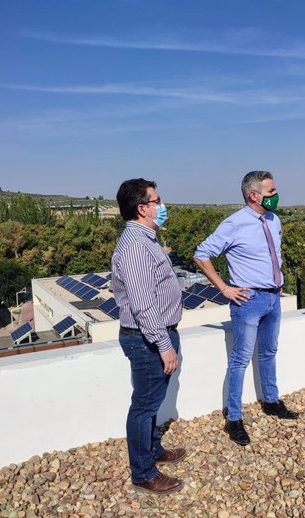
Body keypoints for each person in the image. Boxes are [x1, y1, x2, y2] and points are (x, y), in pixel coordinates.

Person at [194, 170, 299, 447]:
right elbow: (201, 254)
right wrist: (224, 288)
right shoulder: (234, 224)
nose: (276, 196)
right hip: (248, 300)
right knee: (240, 359)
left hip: (274, 298)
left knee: (268, 353)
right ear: (254, 195)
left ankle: (272, 401)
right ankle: (235, 419)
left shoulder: (274, 220)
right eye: (271, 192)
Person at [112, 178, 187, 494]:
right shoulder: (133, 247)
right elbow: (143, 305)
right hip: (146, 339)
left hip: (157, 334)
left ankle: (153, 450)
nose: (162, 205)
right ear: (142, 208)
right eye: (157, 200)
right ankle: (143, 473)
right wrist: (163, 344)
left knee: (153, 400)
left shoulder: (147, 239)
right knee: (143, 406)